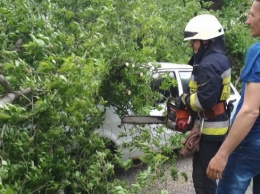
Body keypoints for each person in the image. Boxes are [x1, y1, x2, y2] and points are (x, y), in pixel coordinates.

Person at [206, 1, 260, 193]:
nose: (247, 21)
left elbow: (251, 110)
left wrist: (222, 154)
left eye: (252, 15)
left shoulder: (257, 51)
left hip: (249, 144)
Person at [176, 14, 231, 194]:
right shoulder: (219, 58)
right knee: (207, 178)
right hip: (214, 126)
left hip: (210, 130)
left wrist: (184, 100)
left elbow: (204, 100)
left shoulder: (208, 64)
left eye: (195, 41)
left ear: (206, 41)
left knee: (203, 180)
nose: (193, 45)